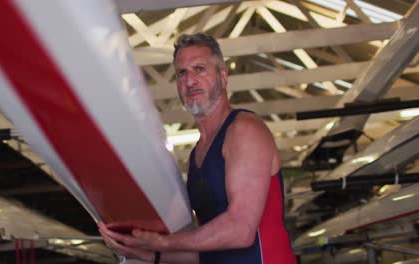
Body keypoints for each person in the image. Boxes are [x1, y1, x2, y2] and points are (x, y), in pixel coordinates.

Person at [99, 33, 296, 264]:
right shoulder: (196, 156)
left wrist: (163, 243)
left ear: (223, 76)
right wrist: (138, 250)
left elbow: (241, 230)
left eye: (200, 69)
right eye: (182, 72)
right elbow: (203, 251)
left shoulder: (244, 129)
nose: (190, 81)